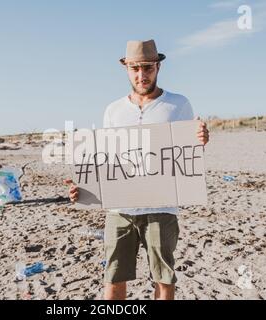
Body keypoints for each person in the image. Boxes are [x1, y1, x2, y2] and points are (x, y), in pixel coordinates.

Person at [64, 39, 209, 300]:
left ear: (158, 67)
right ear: (126, 68)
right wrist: (83, 188)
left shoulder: (179, 104)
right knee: (114, 277)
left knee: (163, 279)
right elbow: (105, 159)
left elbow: (188, 155)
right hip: (120, 209)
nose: (142, 75)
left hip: (162, 207)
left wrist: (200, 139)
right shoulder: (113, 110)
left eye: (148, 68)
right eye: (135, 68)